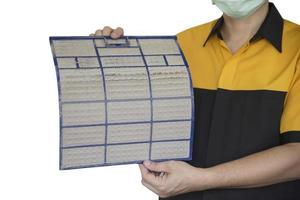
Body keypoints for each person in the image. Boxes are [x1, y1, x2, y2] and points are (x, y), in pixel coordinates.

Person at [91, 0, 300, 199]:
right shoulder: (179, 46)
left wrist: (202, 179)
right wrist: (107, 64)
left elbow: (297, 157)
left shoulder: (296, 48)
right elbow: (143, 127)